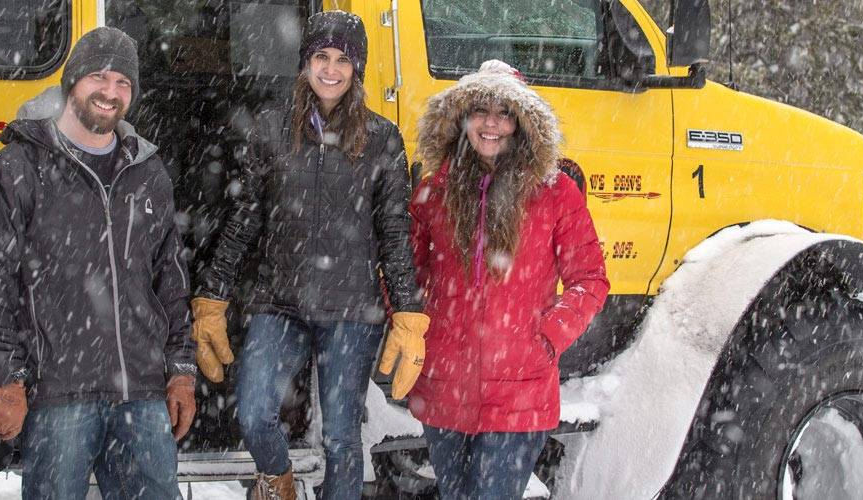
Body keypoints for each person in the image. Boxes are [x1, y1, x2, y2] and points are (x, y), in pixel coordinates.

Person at [190, 10, 429, 500]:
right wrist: (213, 295)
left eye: (343, 60)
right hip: (279, 300)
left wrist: (408, 310)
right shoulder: (273, 128)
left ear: (356, 68)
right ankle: (277, 479)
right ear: (305, 62)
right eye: (321, 56)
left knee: (341, 437)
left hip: (350, 309)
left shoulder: (382, 139)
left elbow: (393, 231)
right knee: (254, 411)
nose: (331, 70)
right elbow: (245, 219)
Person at [0, 27, 197, 500]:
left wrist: (181, 370)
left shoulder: (147, 173)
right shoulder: (20, 168)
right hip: (58, 398)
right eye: (99, 77)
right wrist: (8, 380)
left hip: (142, 397)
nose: (110, 93)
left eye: (123, 83)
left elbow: (169, 281)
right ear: (72, 83)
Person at [407, 60, 610, 499]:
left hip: (521, 389)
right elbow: (404, 271)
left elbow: (590, 279)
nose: (492, 124)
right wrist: (419, 328)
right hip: (445, 388)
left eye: (504, 113)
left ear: (521, 123)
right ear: (463, 119)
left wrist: (547, 337)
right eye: (481, 111)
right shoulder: (433, 190)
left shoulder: (556, 193)